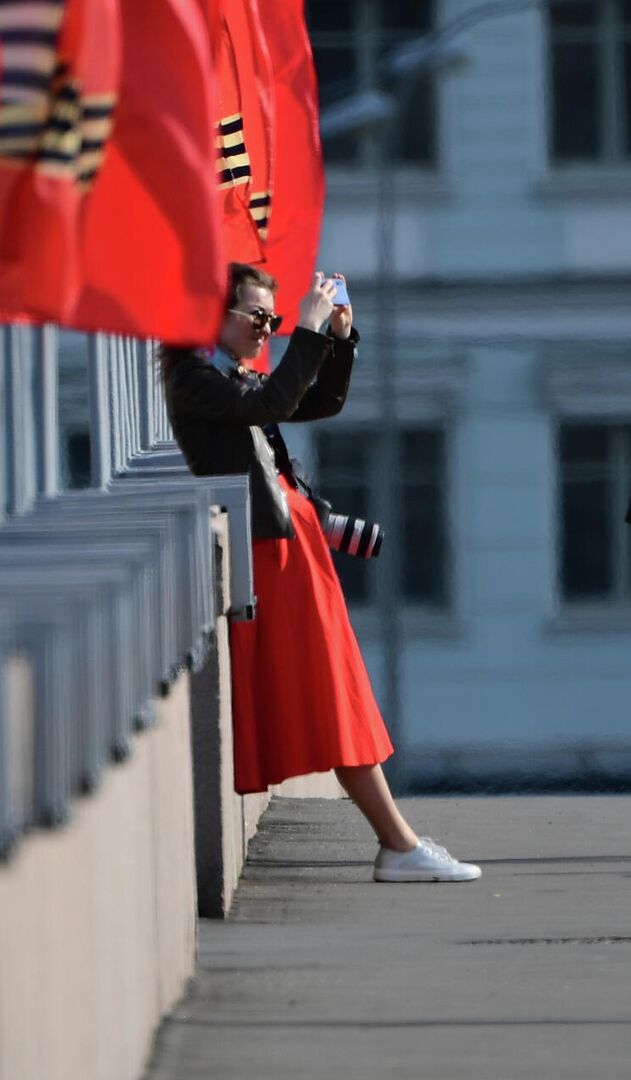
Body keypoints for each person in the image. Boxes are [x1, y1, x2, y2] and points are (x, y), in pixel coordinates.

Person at [158, 262, 479, 883]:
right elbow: (276, 399)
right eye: (258, 318)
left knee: (339, 692)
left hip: (288, 552)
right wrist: (307, 332)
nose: (267, 331)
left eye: (273, 320)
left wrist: (336, 337)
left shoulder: (226, 375)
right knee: (333, 695)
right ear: (211, 315)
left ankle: (400, 842)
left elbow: (313, 401)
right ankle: (397, 843)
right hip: (273, 560)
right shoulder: (196, 380)